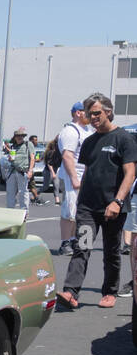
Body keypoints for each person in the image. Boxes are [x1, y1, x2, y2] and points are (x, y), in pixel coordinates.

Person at [59, 94, 137, 309]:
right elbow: (88, 173)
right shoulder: (89, 142)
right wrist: (80, 198)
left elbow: (130, 173)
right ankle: (70, 292)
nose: (92, 117)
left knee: (111, 251)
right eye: (89, 114)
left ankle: (110, 292)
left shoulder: (124, 139)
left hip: (113, 207)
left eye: (97, 113)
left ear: (108, 112)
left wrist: (118, 202)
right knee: (82, 247)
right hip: (88, 207)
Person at [56, 101, 92, 254]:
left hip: (86, 177)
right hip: (74, 177)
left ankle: (80, 242)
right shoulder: (70, 131)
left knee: (84, 212)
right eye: (88, 112)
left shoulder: (87, 131)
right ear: (78, 113)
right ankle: (65, 243)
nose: (91, 116)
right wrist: (74, 179)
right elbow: (67, 156)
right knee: (69, 210)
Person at [5, 128, 32, 209]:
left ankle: (24, 212)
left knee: (23, 192)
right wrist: (10, 158)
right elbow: (10, 159)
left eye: (21, 136)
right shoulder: (13, 146)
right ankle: (10, 210)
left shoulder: (28, 144)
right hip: (12, 171)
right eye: (17, 136)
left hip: (22, 171)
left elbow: (32, 158)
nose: (19, 137)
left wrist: (30, 170)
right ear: (15, 137)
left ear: (23, 137)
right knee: (10, 192)